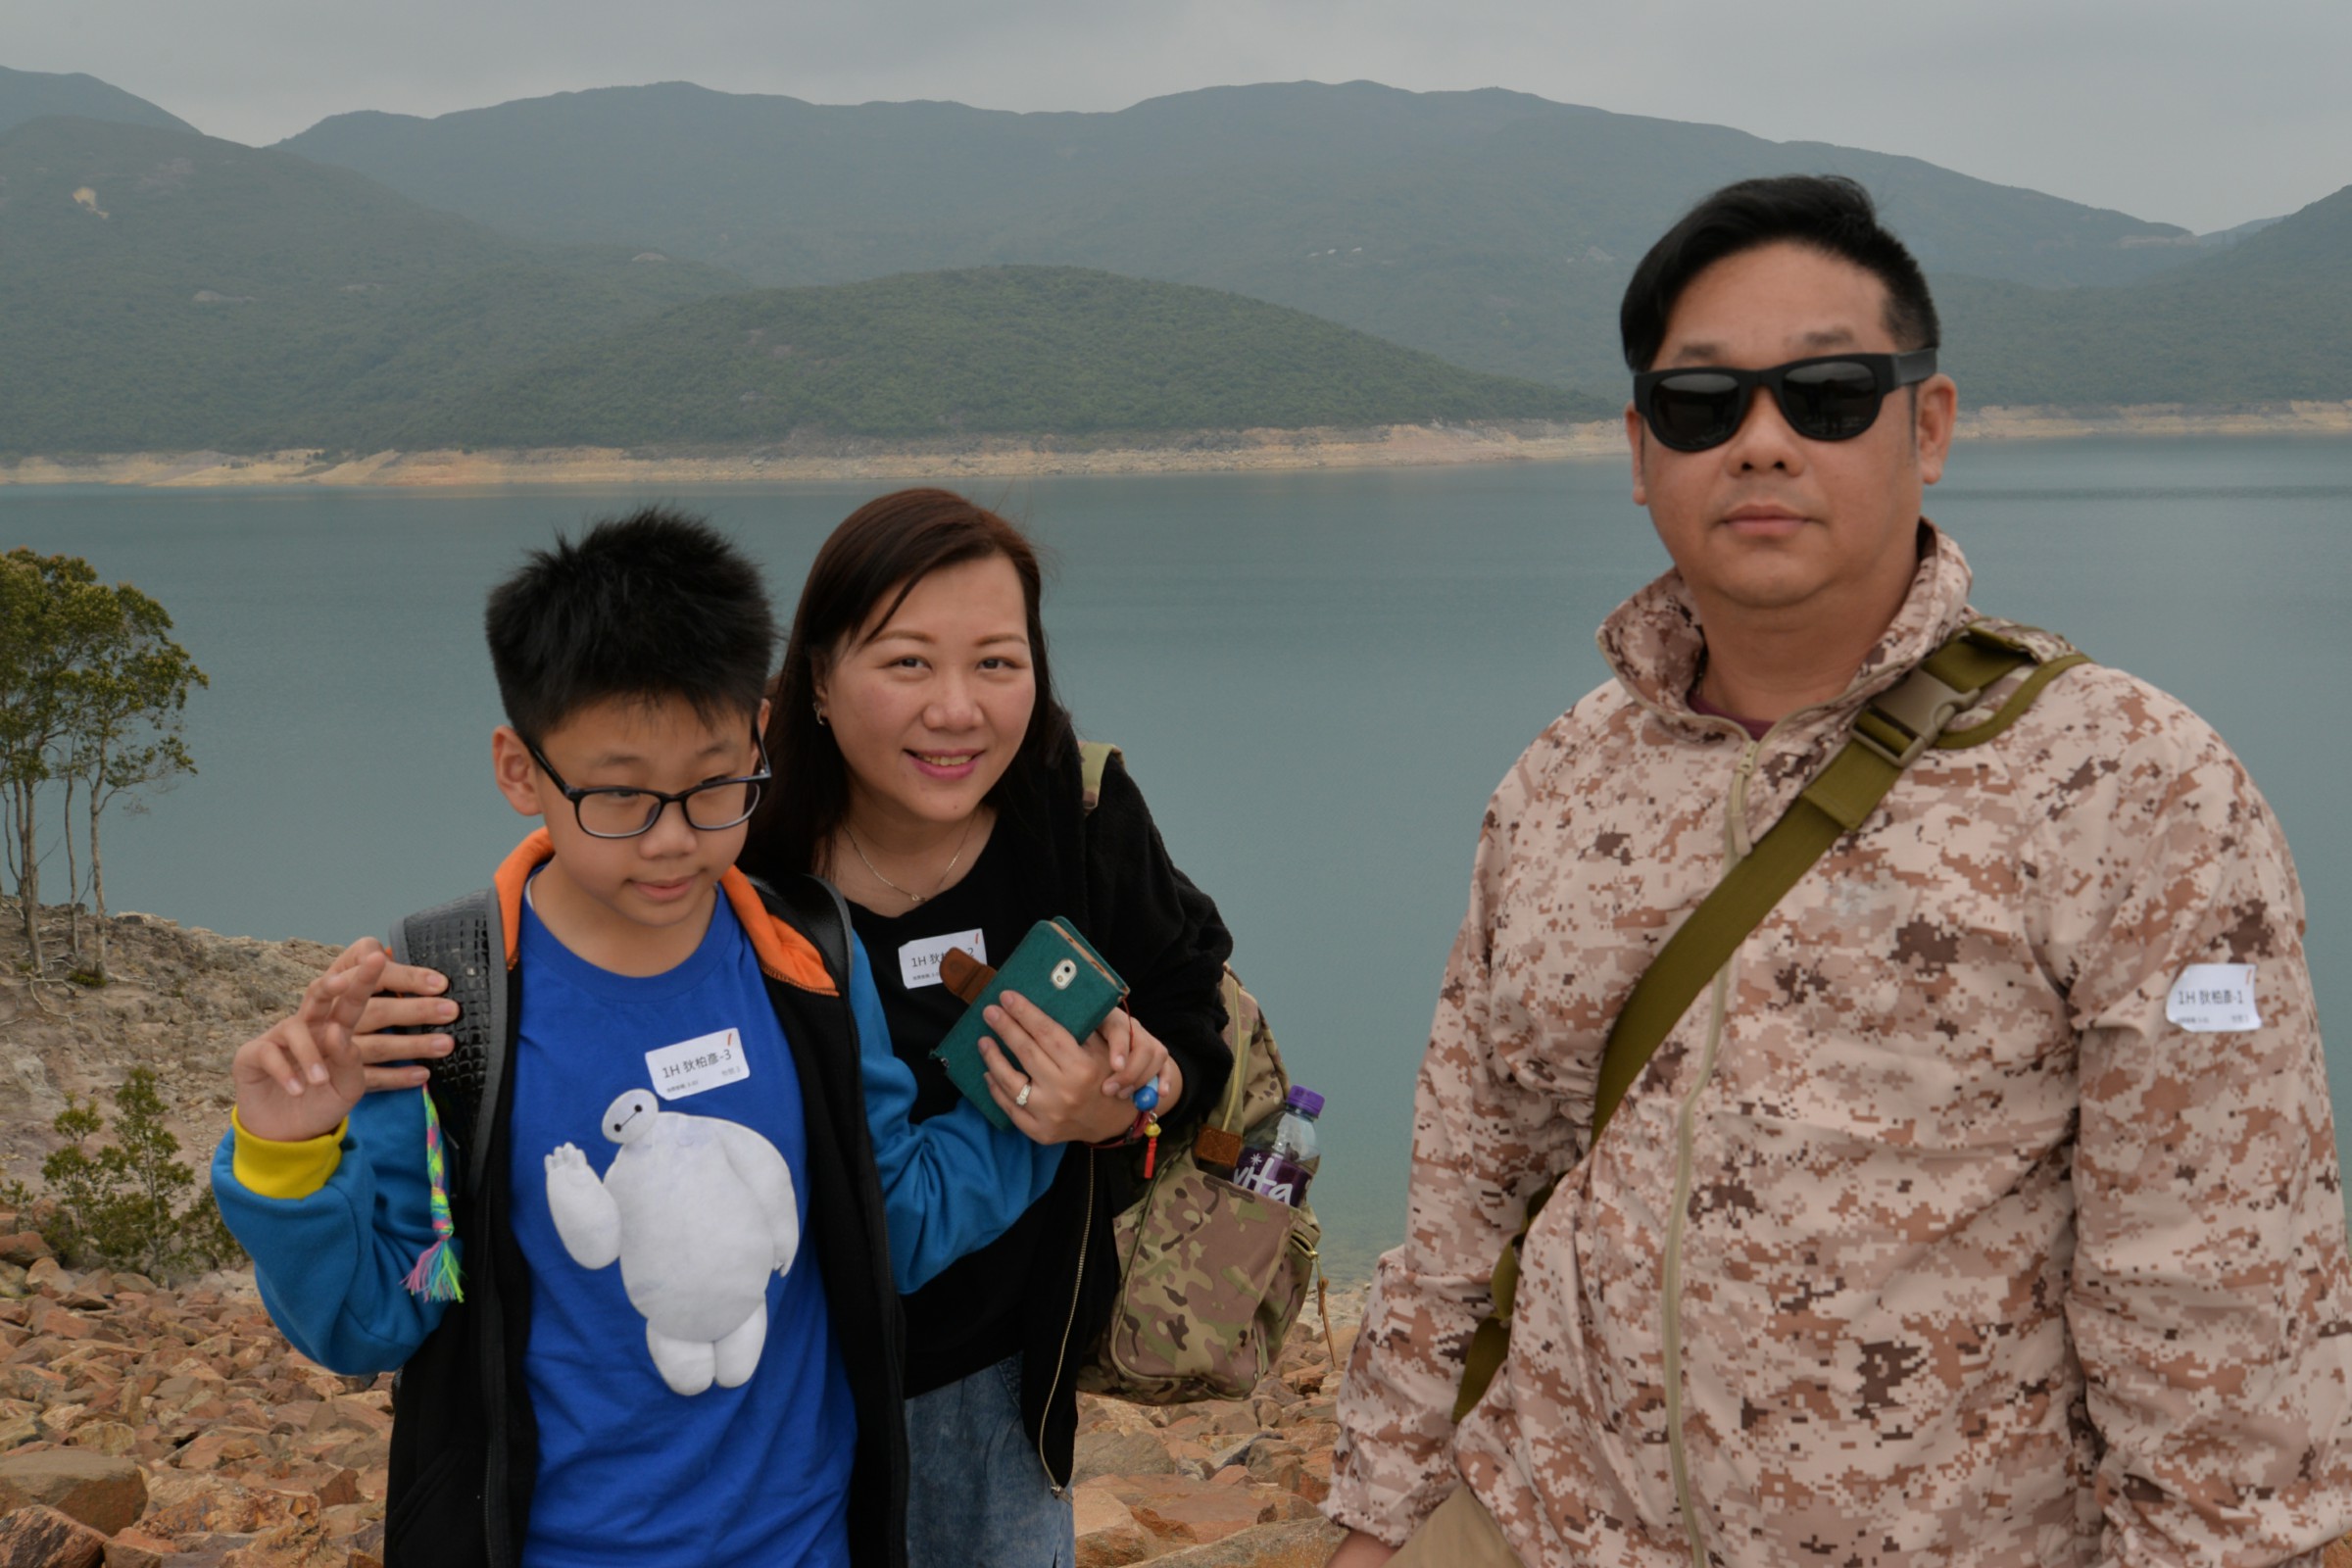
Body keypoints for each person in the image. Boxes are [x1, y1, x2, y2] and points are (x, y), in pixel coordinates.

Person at [1323, 175, 2352, 1567]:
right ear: (1640, 450)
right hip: (1542, 1519)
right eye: (1701, 404)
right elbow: (1469, 1190)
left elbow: (2217, 1296)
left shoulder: (2128, 786)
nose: (1761, 442)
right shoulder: (1562, 781)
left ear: (1928, 425)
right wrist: (1378, 1517)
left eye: (1827, 395)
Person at [212, 511, 1064, 1568]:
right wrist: (287, 1155)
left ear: (758, 736)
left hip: (805, 1542)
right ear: (520, 769)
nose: (671, 838)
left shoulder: (807, 961)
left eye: (713, 786)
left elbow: (891, 1220)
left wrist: (1046, 1113)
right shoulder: (447, 1004)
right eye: (618, 794)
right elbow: (375, 1319)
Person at [738, 488, 1234, 1568]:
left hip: (1002, 1382)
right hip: (773, 1375)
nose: (958, 710)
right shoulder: (734, 839)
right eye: (908, 662)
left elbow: (1192, 1016)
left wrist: (1125, 1106)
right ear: (816, 678)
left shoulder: (1076, 811)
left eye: (998, 663)